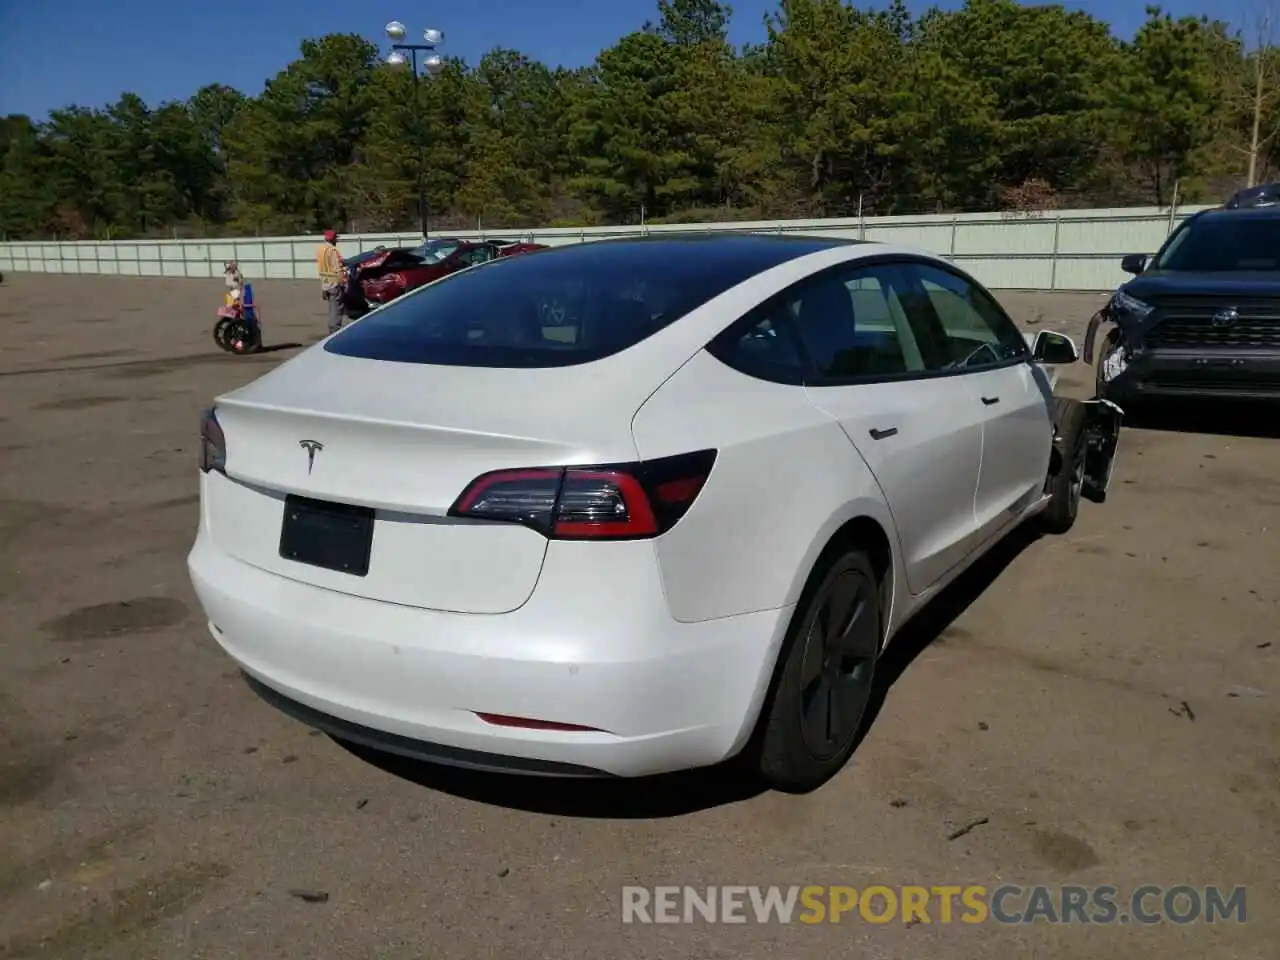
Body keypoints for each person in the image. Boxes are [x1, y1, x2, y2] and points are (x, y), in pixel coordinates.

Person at [316, 229, 346, 334]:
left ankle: (331, 329)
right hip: (335, 284)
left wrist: (323, 288)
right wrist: (343, 281)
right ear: (333, 239)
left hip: (325, 284)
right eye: (336, 238)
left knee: (331, 309)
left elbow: (321, 268)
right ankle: (335, 331)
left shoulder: (320, 250)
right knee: (337, 309)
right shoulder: (332, 251)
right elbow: (337, 268)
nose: (337, 241)